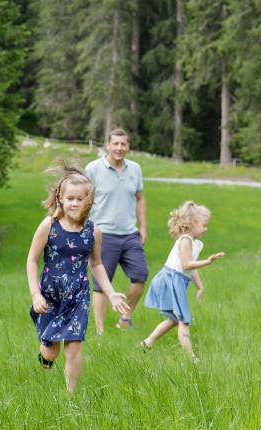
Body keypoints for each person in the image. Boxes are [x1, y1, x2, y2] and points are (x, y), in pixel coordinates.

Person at [27, 163, 129, 392]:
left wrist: (111, 294)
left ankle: (70, 397)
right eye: (70, 198)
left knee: (74, 346)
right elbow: (32, 260)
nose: (74, 203)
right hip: (49, 296)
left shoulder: (93, 231)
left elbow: (96, 264)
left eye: (79, 199)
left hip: (78, 296)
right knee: (51, 350)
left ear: (88, 201)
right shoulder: (49, 226)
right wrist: (35, 294)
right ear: (60, 198)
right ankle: (46, 358)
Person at [142, 201, 224, 359]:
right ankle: (192, 358)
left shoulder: (194, 242)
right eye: (204, 225)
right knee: (183, 320)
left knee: (174, 319)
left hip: (177, 280)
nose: (206, 229)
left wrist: (200, 287)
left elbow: (190, 268)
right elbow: (187, 265)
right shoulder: (185, 240)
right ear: (192, 223)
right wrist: (208, 261)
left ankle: (147, 343)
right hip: (172, 280)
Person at [85, 128, 148, 334]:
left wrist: (143, 226)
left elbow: (140, 198)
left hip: (130, 233)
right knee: (101, 285)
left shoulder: (135, 169)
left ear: (128, 146)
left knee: (140, 276)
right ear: (108, 145)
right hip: (102, 234)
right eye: (116, 144)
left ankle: (125, 318)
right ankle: (101, 332)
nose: (119, 148)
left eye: (123, 144)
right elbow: (83, 199)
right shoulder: (93, 169)